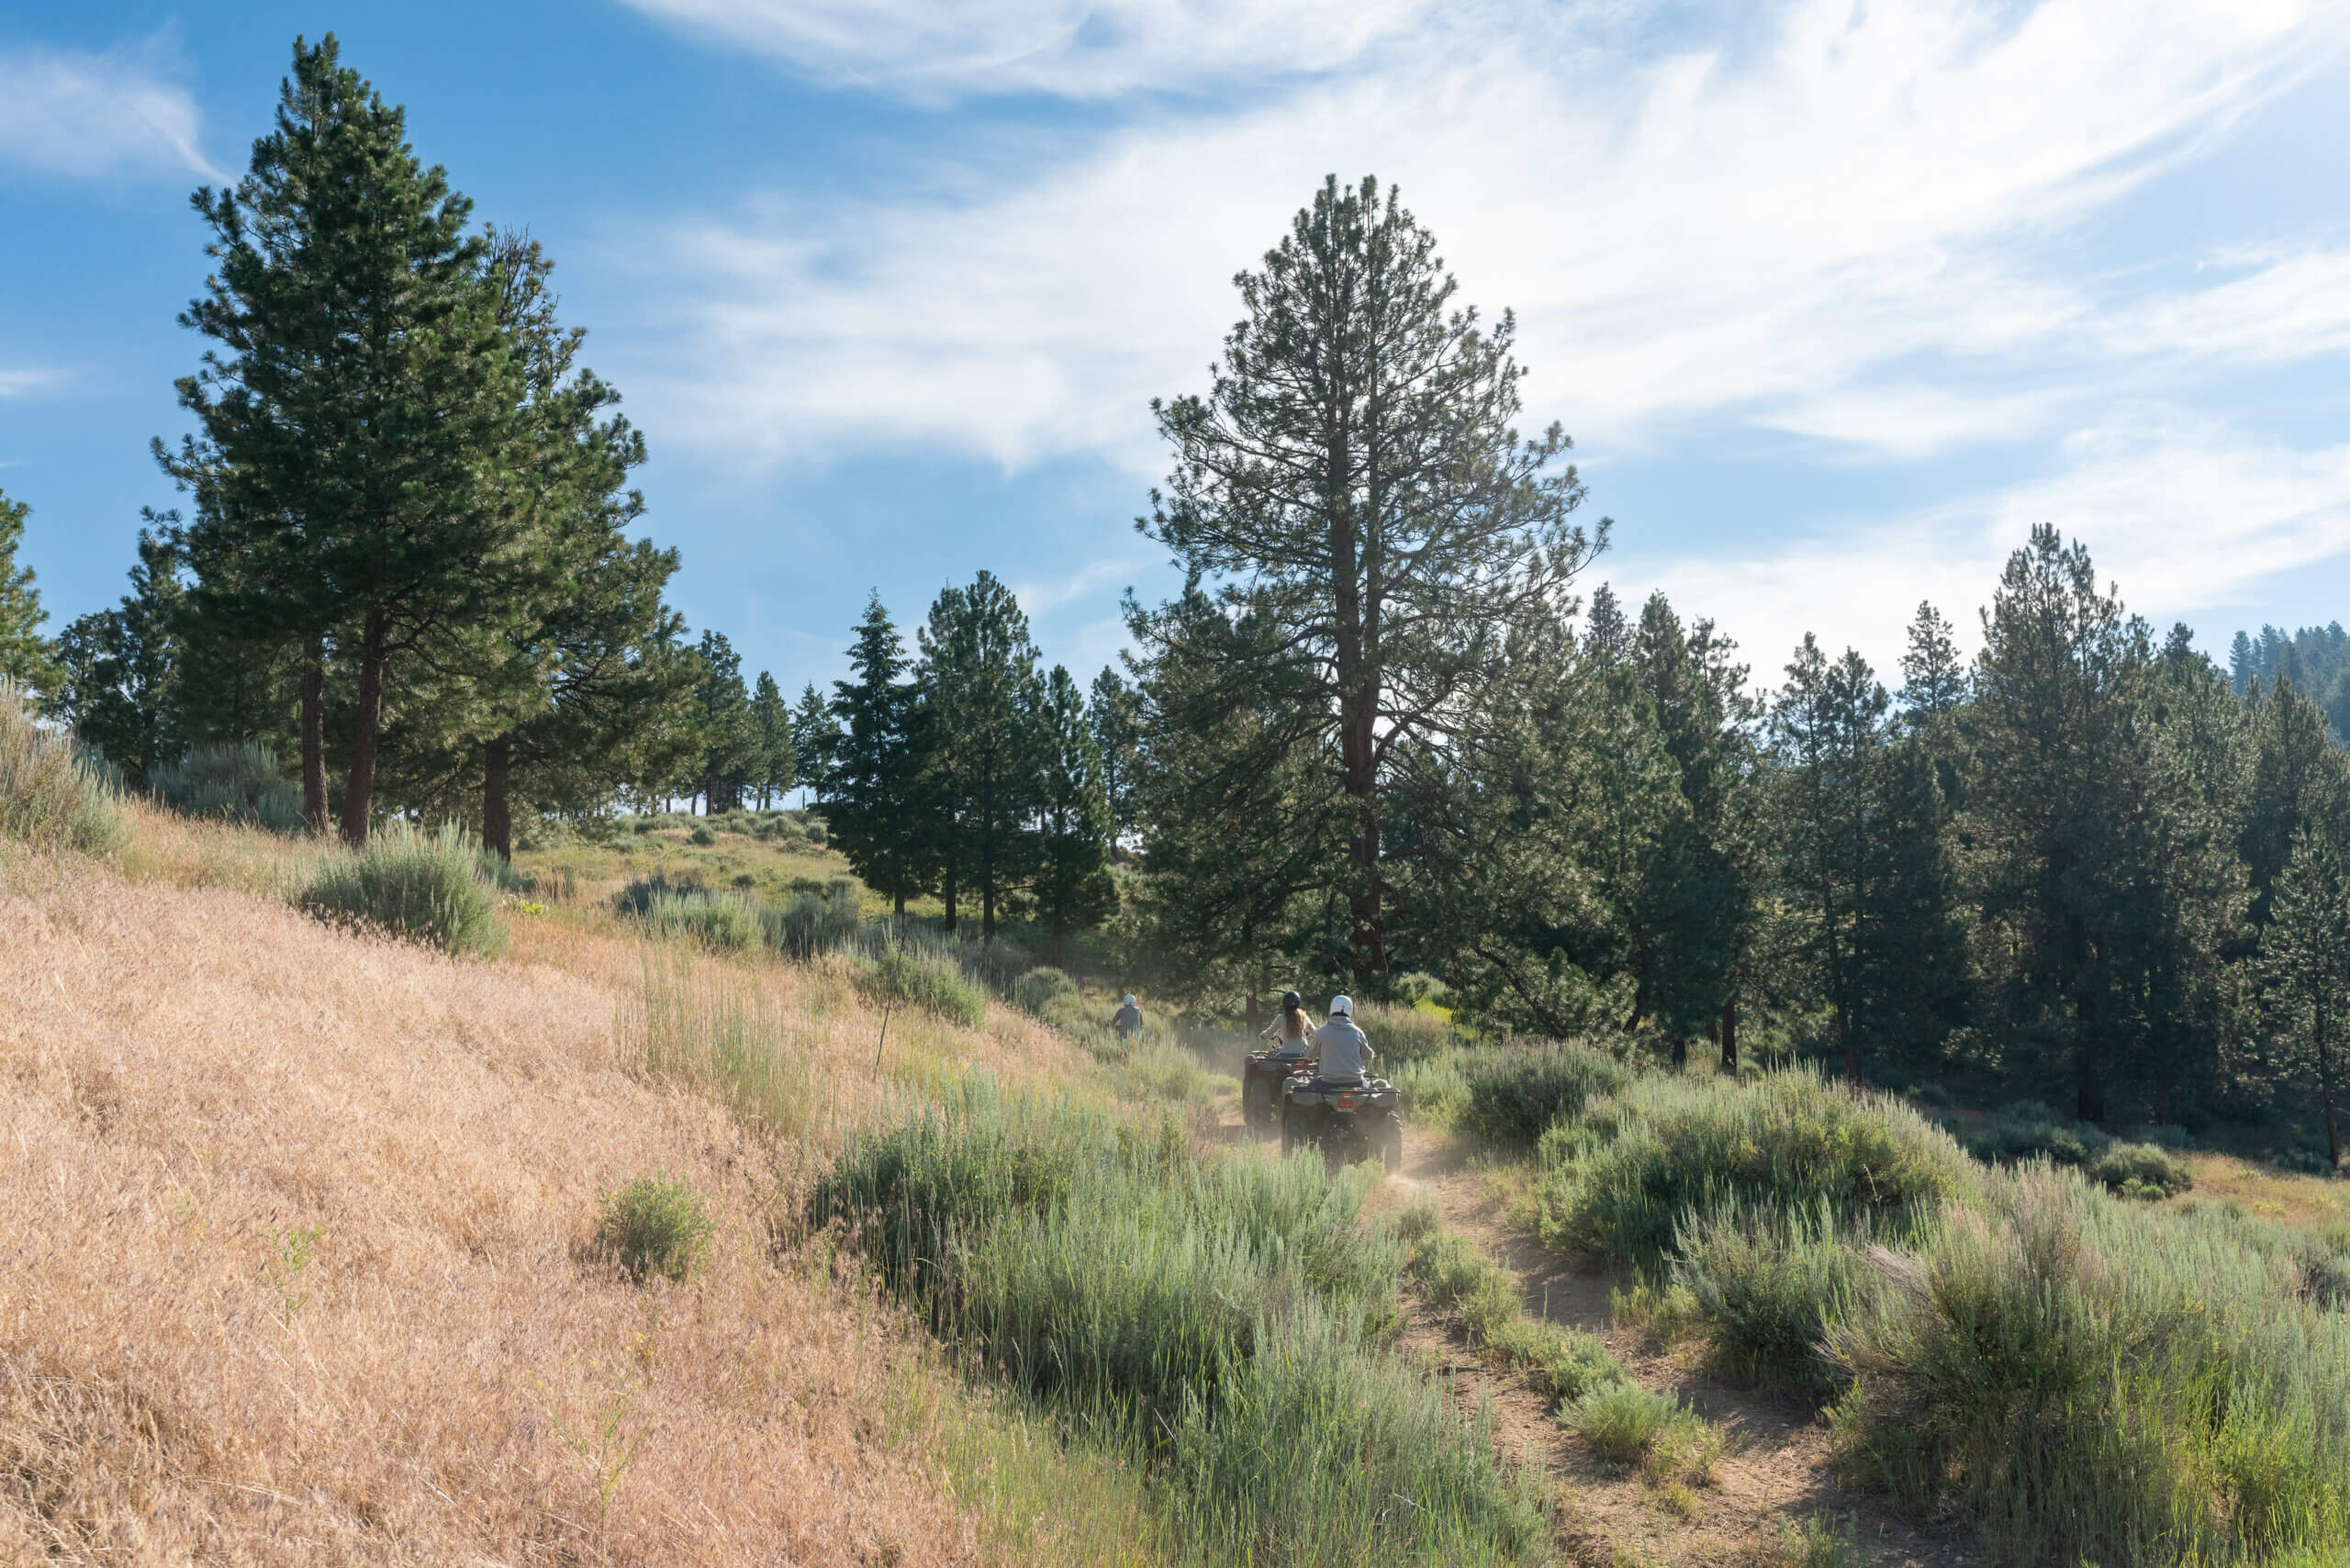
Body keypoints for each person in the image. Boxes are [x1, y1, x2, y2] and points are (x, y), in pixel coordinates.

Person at [1306, 994, 1375, 1084]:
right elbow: (1368, 1056)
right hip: (1355, 1081)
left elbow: (1310, 1056)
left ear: (1332, 1008)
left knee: (1311, 1085)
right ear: (1350, 1010)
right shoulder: (1358, 1032)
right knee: (1371, 1085)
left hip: (1328, 1082)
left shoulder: (1321, 1032)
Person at [1258, 989, 1313, 1060]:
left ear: (1284, 1003)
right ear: (1298, 1002)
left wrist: (1262, 1035)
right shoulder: (1305, 1017)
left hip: (1285, 1055)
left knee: (1271, 1061)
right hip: (1302, 1056)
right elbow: (1316, 1032)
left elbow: (1269, 1033)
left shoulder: (1280, 1018)